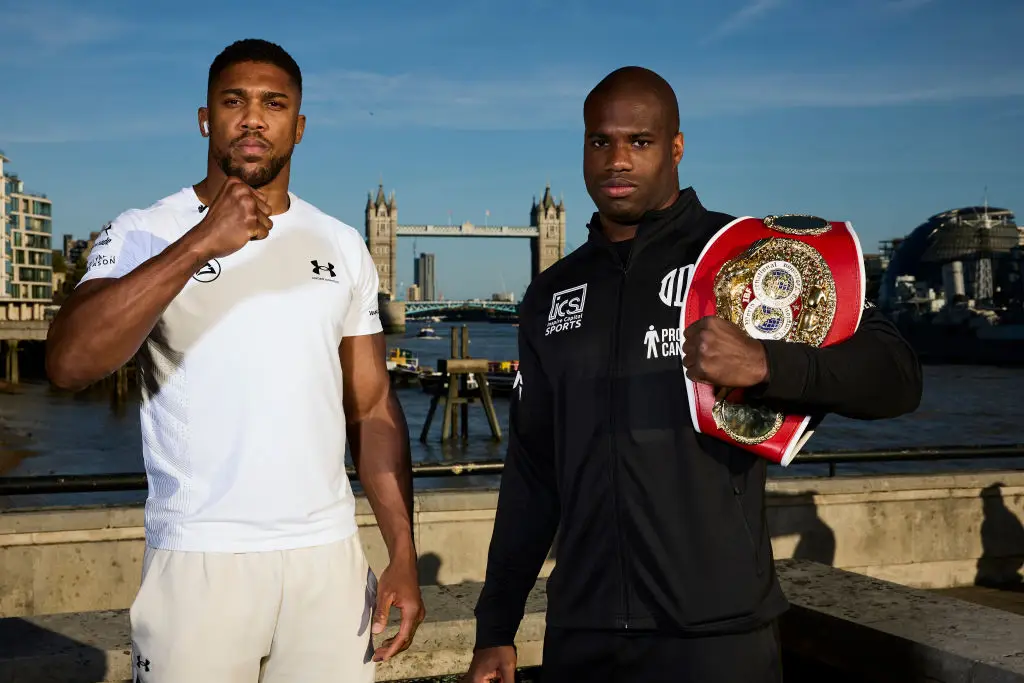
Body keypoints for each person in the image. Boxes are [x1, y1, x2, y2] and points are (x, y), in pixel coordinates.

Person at [463, 66, 922, 682]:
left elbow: (897, 376)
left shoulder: (752, 255)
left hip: (717, 635)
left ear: (676, 147)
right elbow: (532, 473)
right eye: (600, 141)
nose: (617, 160)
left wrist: (769, 364)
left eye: (640, 142)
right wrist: (497, 628)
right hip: (582, 633)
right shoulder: (550, 293)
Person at [45, 39, 424, 683]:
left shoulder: (341, 242)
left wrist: (404, 551)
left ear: (298, 127)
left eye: (274, 104)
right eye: (235, 101)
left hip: (327, 562)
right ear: (205, 118)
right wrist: (200, 242)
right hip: (200, 560)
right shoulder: (146, 230)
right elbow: (70, 362)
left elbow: (370, 406)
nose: (254, 118)